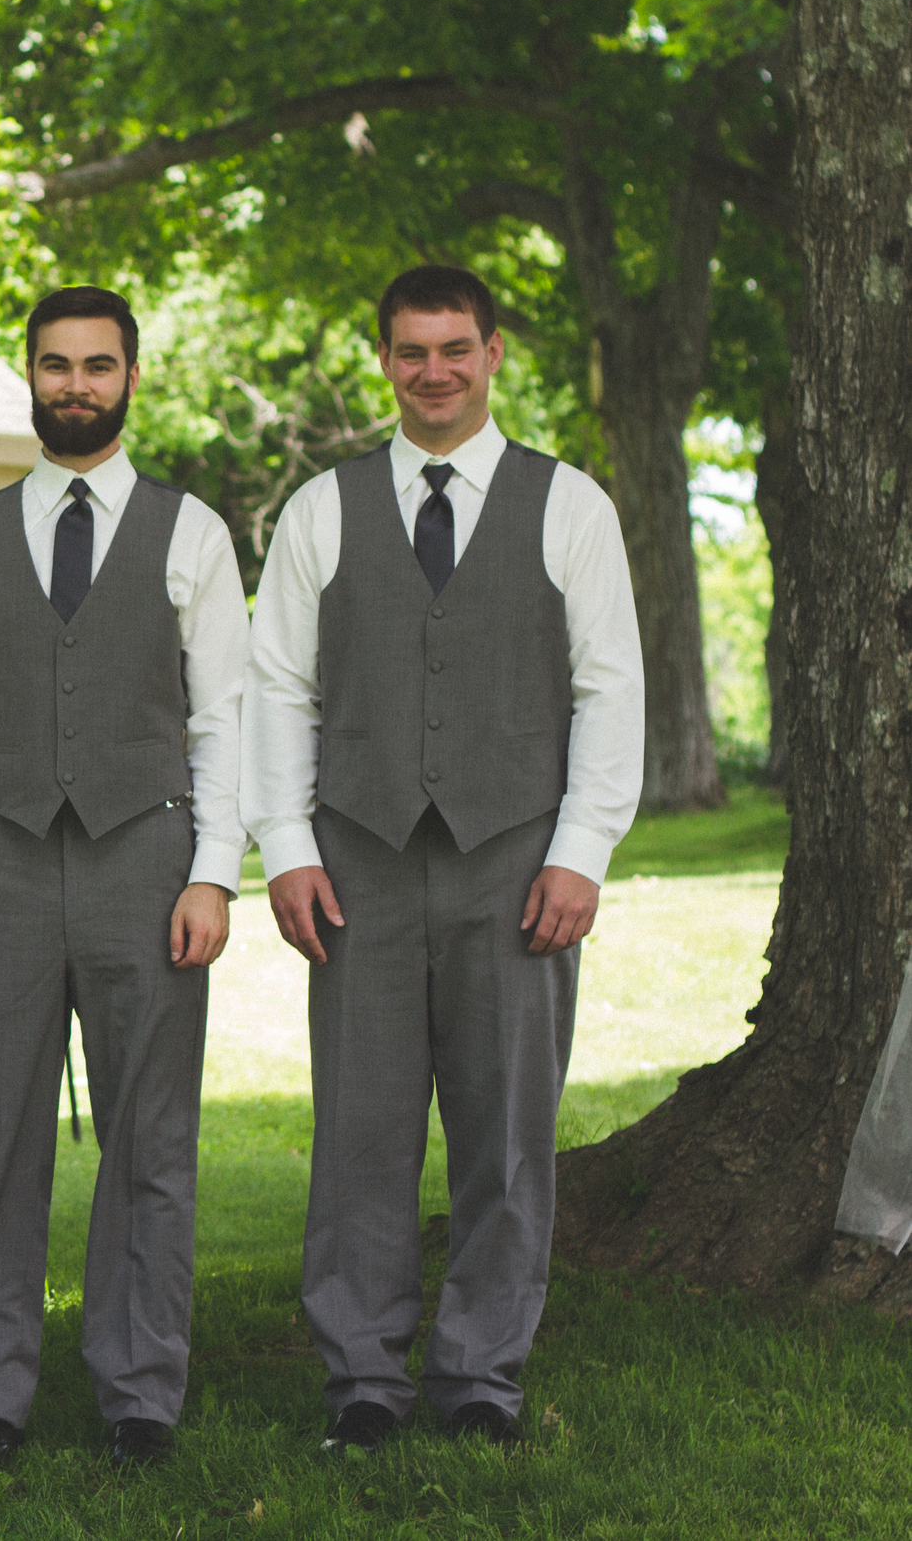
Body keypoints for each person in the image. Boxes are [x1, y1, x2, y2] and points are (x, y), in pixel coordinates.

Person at [244, 265, 642, 1453]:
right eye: (411, 351)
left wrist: (580, 852)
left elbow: (609, 685)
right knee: (359, 1129)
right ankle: (361, 1377)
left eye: (454, 349)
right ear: (383, 361)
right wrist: (284, 846)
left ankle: (480, 1374)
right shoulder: (322, 508)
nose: (434, 371)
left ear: (493, 353)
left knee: (505, 1130)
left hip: (514, 858)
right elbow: (279, 688)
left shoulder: (568, 503)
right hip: (356, 861)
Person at [0, 287, 249, 1475]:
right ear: (30, 376)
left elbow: (222, 722)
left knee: (148, 1139)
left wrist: (213, 874)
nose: (75, 385)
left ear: (131, 379)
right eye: (55, 365)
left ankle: (139, 1394)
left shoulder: (191, 533)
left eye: (96, 365)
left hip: (146, 861)